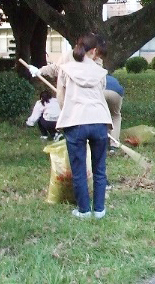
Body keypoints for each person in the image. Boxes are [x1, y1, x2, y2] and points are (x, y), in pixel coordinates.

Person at [56, 33, 112, 219]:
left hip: (76, 122)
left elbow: (60, 98)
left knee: (79, 169)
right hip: (99, 121)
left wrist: (68, 112)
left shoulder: (66, 69)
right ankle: (99, 210)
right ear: (94, 51)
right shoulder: (100, 71)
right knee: (99, 168)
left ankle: (84, 210)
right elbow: (100, 94)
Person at [105, 74, 124, 153]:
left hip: (102, 91)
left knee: (101, 116)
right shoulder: (113, 79)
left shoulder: (97, 77)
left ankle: (102, 141)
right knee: (116, 116)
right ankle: (114, 144)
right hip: (117, 92)